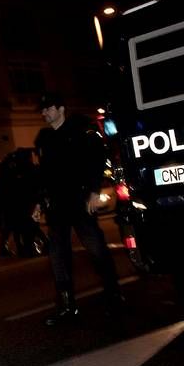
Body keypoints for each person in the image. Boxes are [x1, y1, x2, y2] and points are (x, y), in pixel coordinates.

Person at [33, 92, 123, 326]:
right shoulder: (43, 138)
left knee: (96, 249)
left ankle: (114, 295)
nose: (44, 113)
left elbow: (96, 160)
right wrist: (39, 202)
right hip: (57, 206)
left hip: (80, 201)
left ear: (61, 108)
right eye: (42, 110)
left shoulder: (80, 130)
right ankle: (67, 305)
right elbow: (44, 175)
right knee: (58, 256)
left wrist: (94, 191)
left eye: (48, 108)